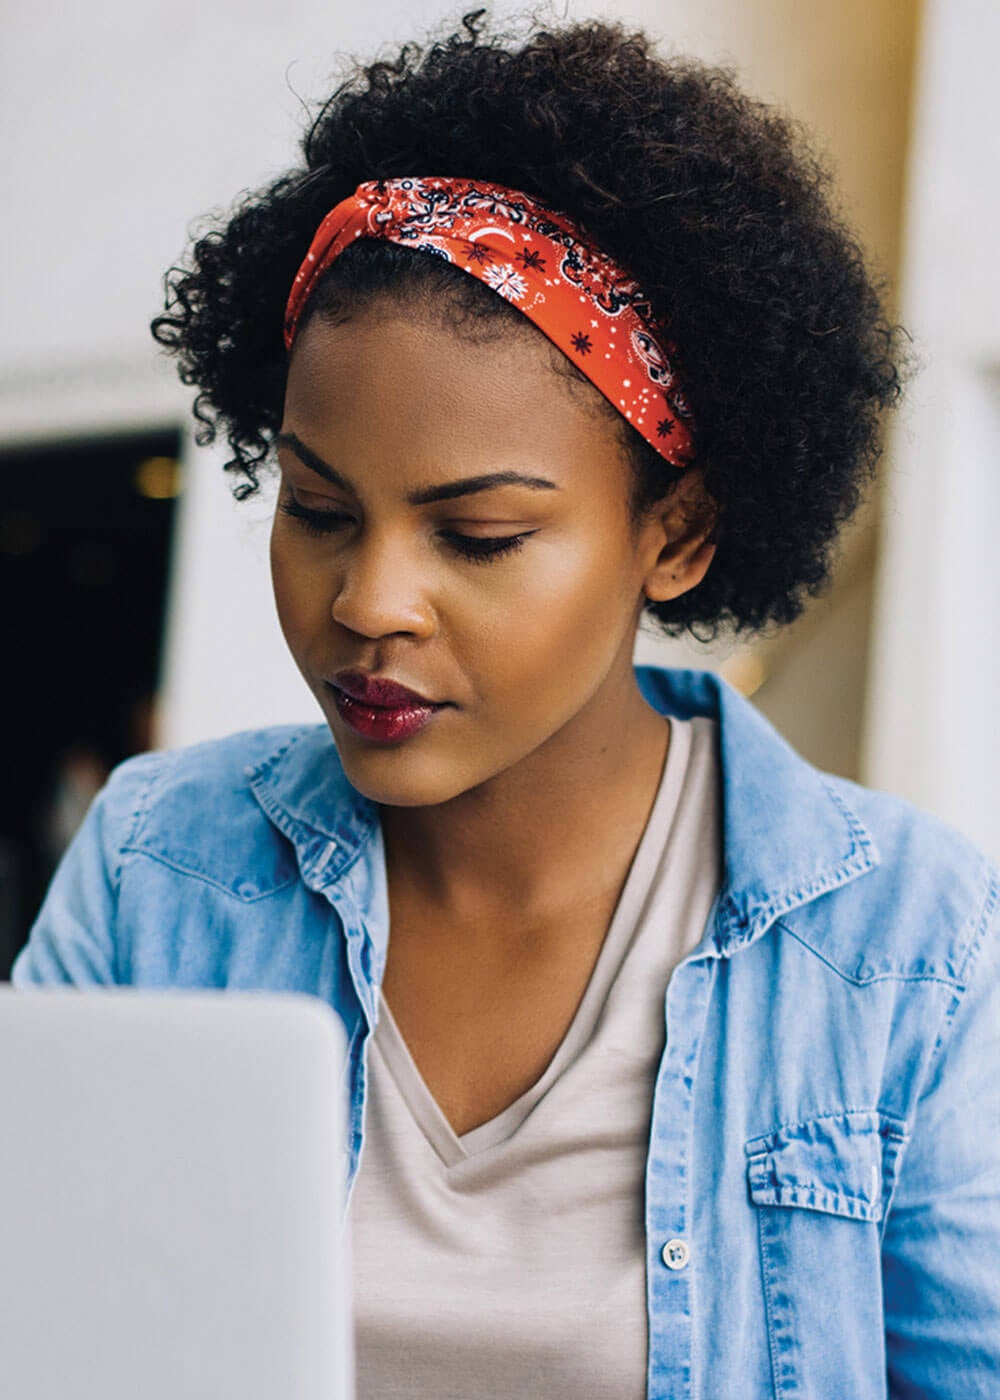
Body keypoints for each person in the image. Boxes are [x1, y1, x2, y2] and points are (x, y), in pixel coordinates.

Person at [13, 12, 1000, 1398]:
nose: (371, 601)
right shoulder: (156, 864)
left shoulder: (909, 950)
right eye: (316, 510)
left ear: (680, 533)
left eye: (475, 537)